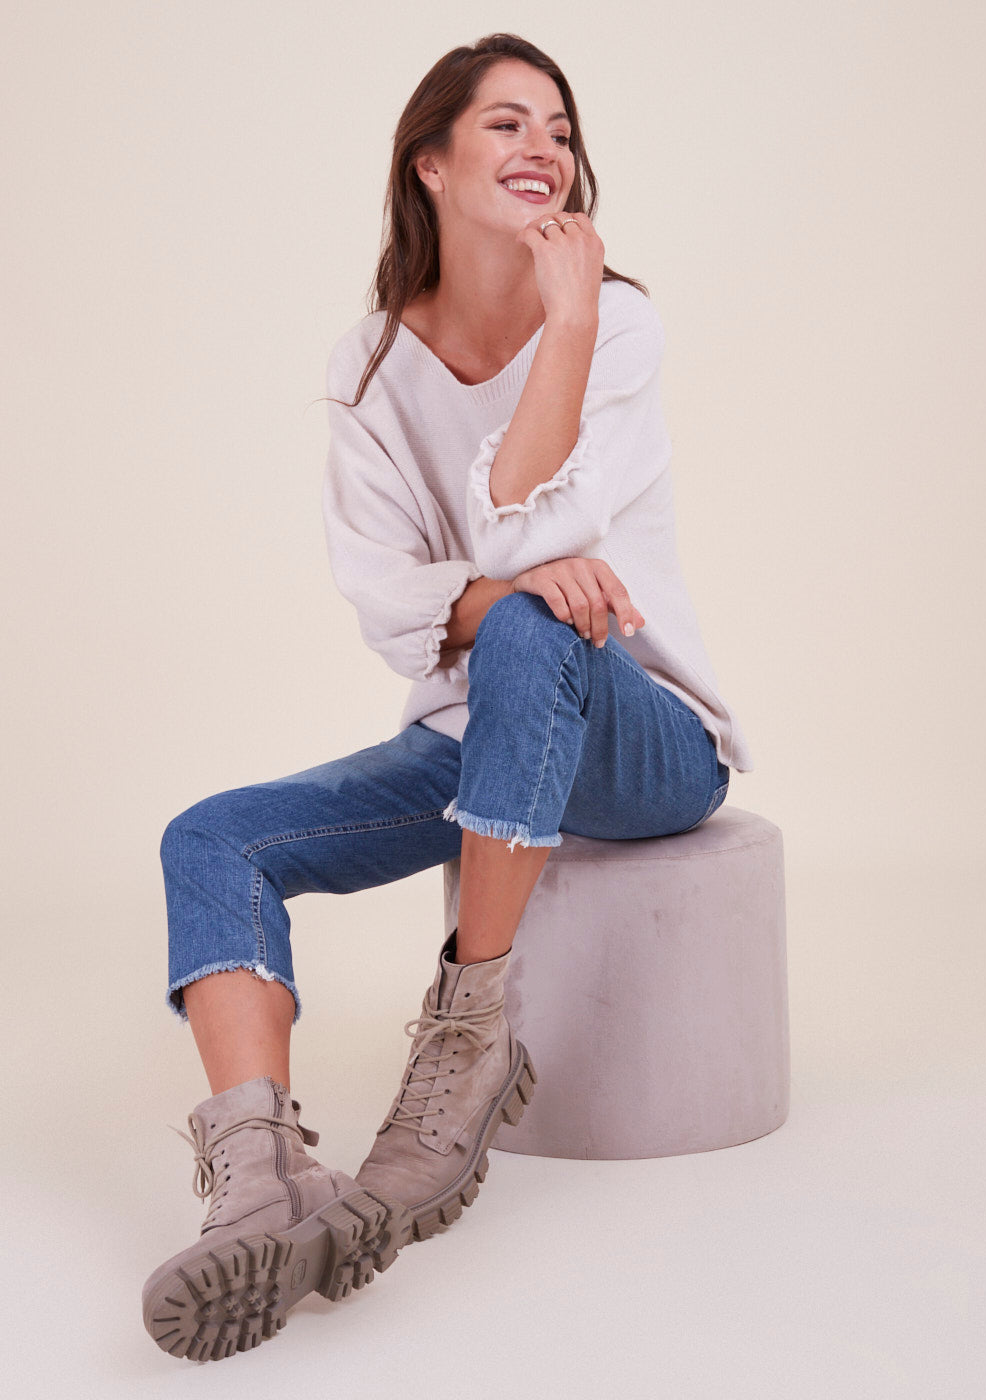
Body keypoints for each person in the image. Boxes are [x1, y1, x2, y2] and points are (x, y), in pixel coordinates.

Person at [141, 32, 753, 1362]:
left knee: (534, 625)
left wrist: (569, 323)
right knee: (211, 839)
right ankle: (260, 1187)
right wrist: (500, 594)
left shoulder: (617, 323)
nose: (546, 149)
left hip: (644, 738)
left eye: (562, 130)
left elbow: (534, 556)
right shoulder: (370, 365)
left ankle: (464, 1045)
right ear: (429, 162)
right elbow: (387, 601)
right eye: (507, 124)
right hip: (474, 738)